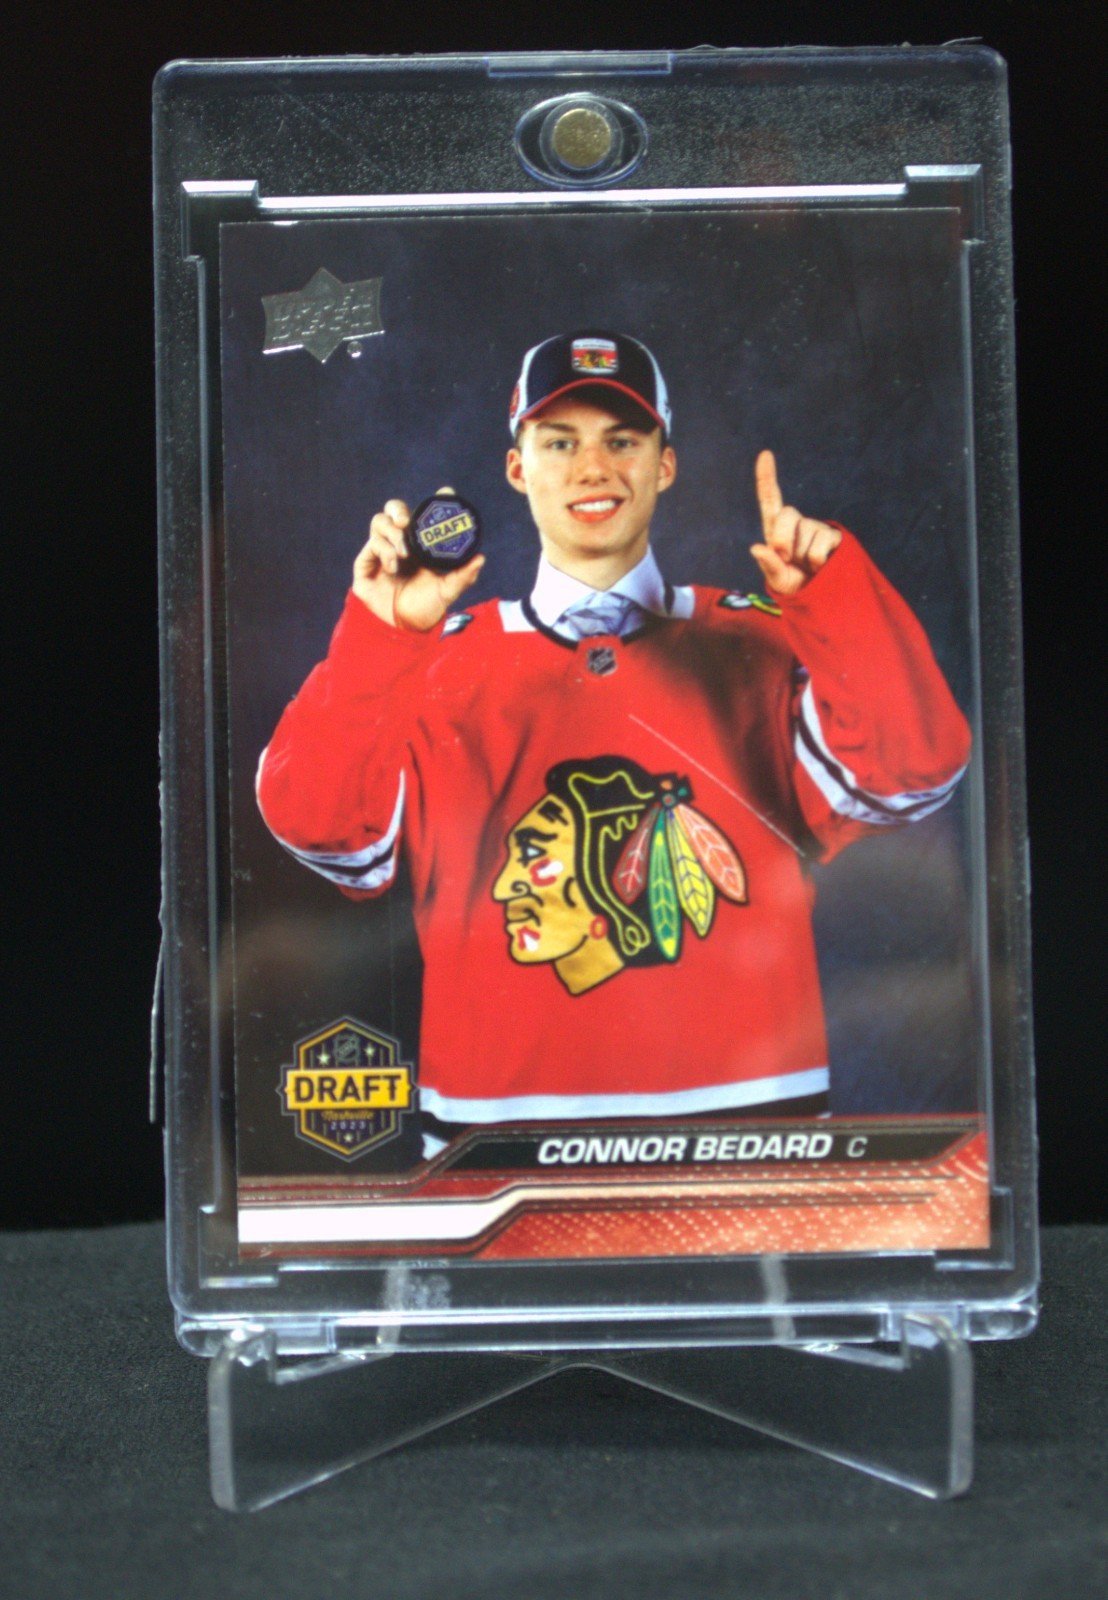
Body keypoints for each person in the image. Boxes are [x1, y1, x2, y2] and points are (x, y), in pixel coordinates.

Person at [257, 330, 971, 1153]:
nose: (593, 468)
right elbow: (324, 833)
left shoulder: (762, 639)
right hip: (495, 1154)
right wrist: (381, 636)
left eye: (623, 441)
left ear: (665, 464)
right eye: (560, 443)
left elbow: (914, 771)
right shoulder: (433, 661)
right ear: (518, 467)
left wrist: (839, 602)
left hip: (751, 1147)